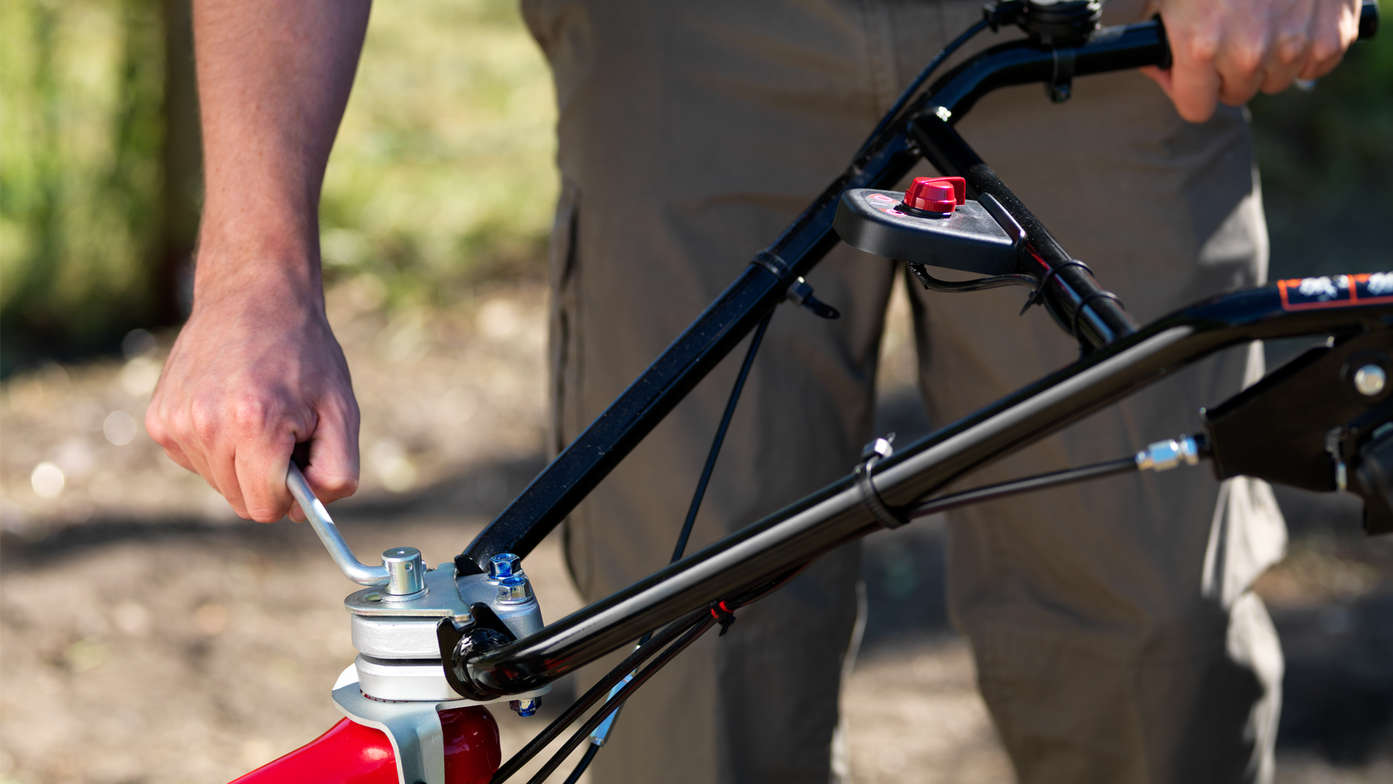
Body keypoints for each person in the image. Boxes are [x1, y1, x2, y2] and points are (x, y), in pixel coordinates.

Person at [147, 1, 1364, 781]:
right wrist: (257, 268)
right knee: (685, 692)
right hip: (688, 42)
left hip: (1103, 31)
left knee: (1154, 640)